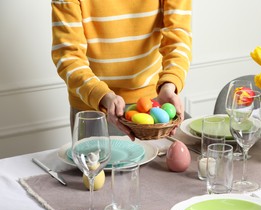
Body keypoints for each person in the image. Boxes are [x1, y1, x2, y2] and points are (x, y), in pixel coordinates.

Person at [51, 0, 192, 140]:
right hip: (93, 107)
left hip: (153, 102)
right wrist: (101, 95)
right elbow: (68, 57)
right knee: (95, 162)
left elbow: (178, 39)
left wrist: (169, 84)